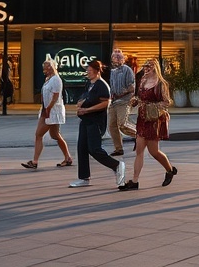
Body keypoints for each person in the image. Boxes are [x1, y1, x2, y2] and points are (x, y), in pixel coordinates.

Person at [119, 59, 177, 191]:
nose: (146, 69)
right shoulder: (143, 81)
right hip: (142, 118)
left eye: (148, 67)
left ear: (155, 68)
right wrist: (136, 101)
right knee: (139, 151)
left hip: (154, 120)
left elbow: (167, 102)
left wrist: (153, 106)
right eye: (144, 67)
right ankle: (134, 181)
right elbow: (140, 98)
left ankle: (169, 170)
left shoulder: (161, 84)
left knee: (154, 152)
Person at [69, 60, 126, 189]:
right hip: (85, 121)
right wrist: (81, 103)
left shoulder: (102, 86)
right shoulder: (89, 84)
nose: (87, 73)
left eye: (89, 71)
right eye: (87, 71)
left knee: (94, 149)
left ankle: (116, 165)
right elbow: (86, 97)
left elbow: (106, 102)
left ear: (96, 71)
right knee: (81, 148)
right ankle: (84, 177)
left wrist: (88, 110)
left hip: (95, 122)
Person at [21, 59, 73, 169]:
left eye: (48, 67)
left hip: (52, 111)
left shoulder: (56, 80)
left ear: (53, 67)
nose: (46, 69)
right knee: (55, 135)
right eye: (45, 67)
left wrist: (48, 108)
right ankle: (68, 157)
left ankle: (35, 161)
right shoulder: (48, 79)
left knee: (39, 134)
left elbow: (55, 96)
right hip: (46, 109)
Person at [106, 49, 135, 157]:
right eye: (115, 57)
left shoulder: (127, 70)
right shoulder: (113, 71)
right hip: (114, 101)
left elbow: (132, 87)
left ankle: (139, 135)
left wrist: (125, 91)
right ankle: (118, 148)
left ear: (123, 59)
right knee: (112, 125)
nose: (117, 59)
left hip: (124, 100)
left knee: (122, 124)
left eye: (119, 57)